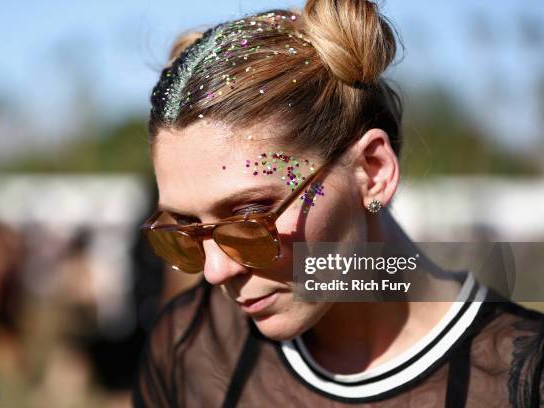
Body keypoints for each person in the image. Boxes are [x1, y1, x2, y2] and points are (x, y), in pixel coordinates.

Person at [133, 0, 544, 406]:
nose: (216, 270)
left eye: (250, 218)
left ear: (373, 170)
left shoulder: (523, 382)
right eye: (186, 230)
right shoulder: (189, 350)